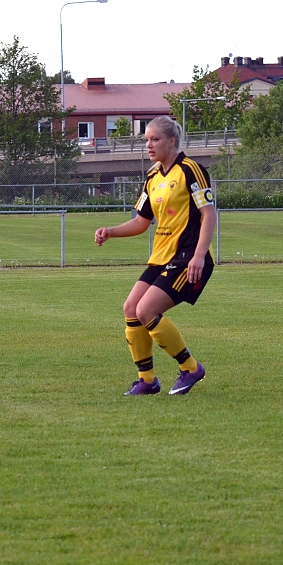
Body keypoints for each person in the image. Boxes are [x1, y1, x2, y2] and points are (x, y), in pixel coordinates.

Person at [94, 115, 216, 396]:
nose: (148, 144)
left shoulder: (190, 170)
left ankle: (190, 368)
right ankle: (147, 380)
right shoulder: (151, 177)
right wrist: (110, 231)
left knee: (146, 310)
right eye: (146, 139)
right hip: (160, 257)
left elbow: (209, 215)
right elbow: (141, 222)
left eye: (155, 139)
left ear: (171, 141)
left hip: (187, 257)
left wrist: (199, 256)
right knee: (131, 309)